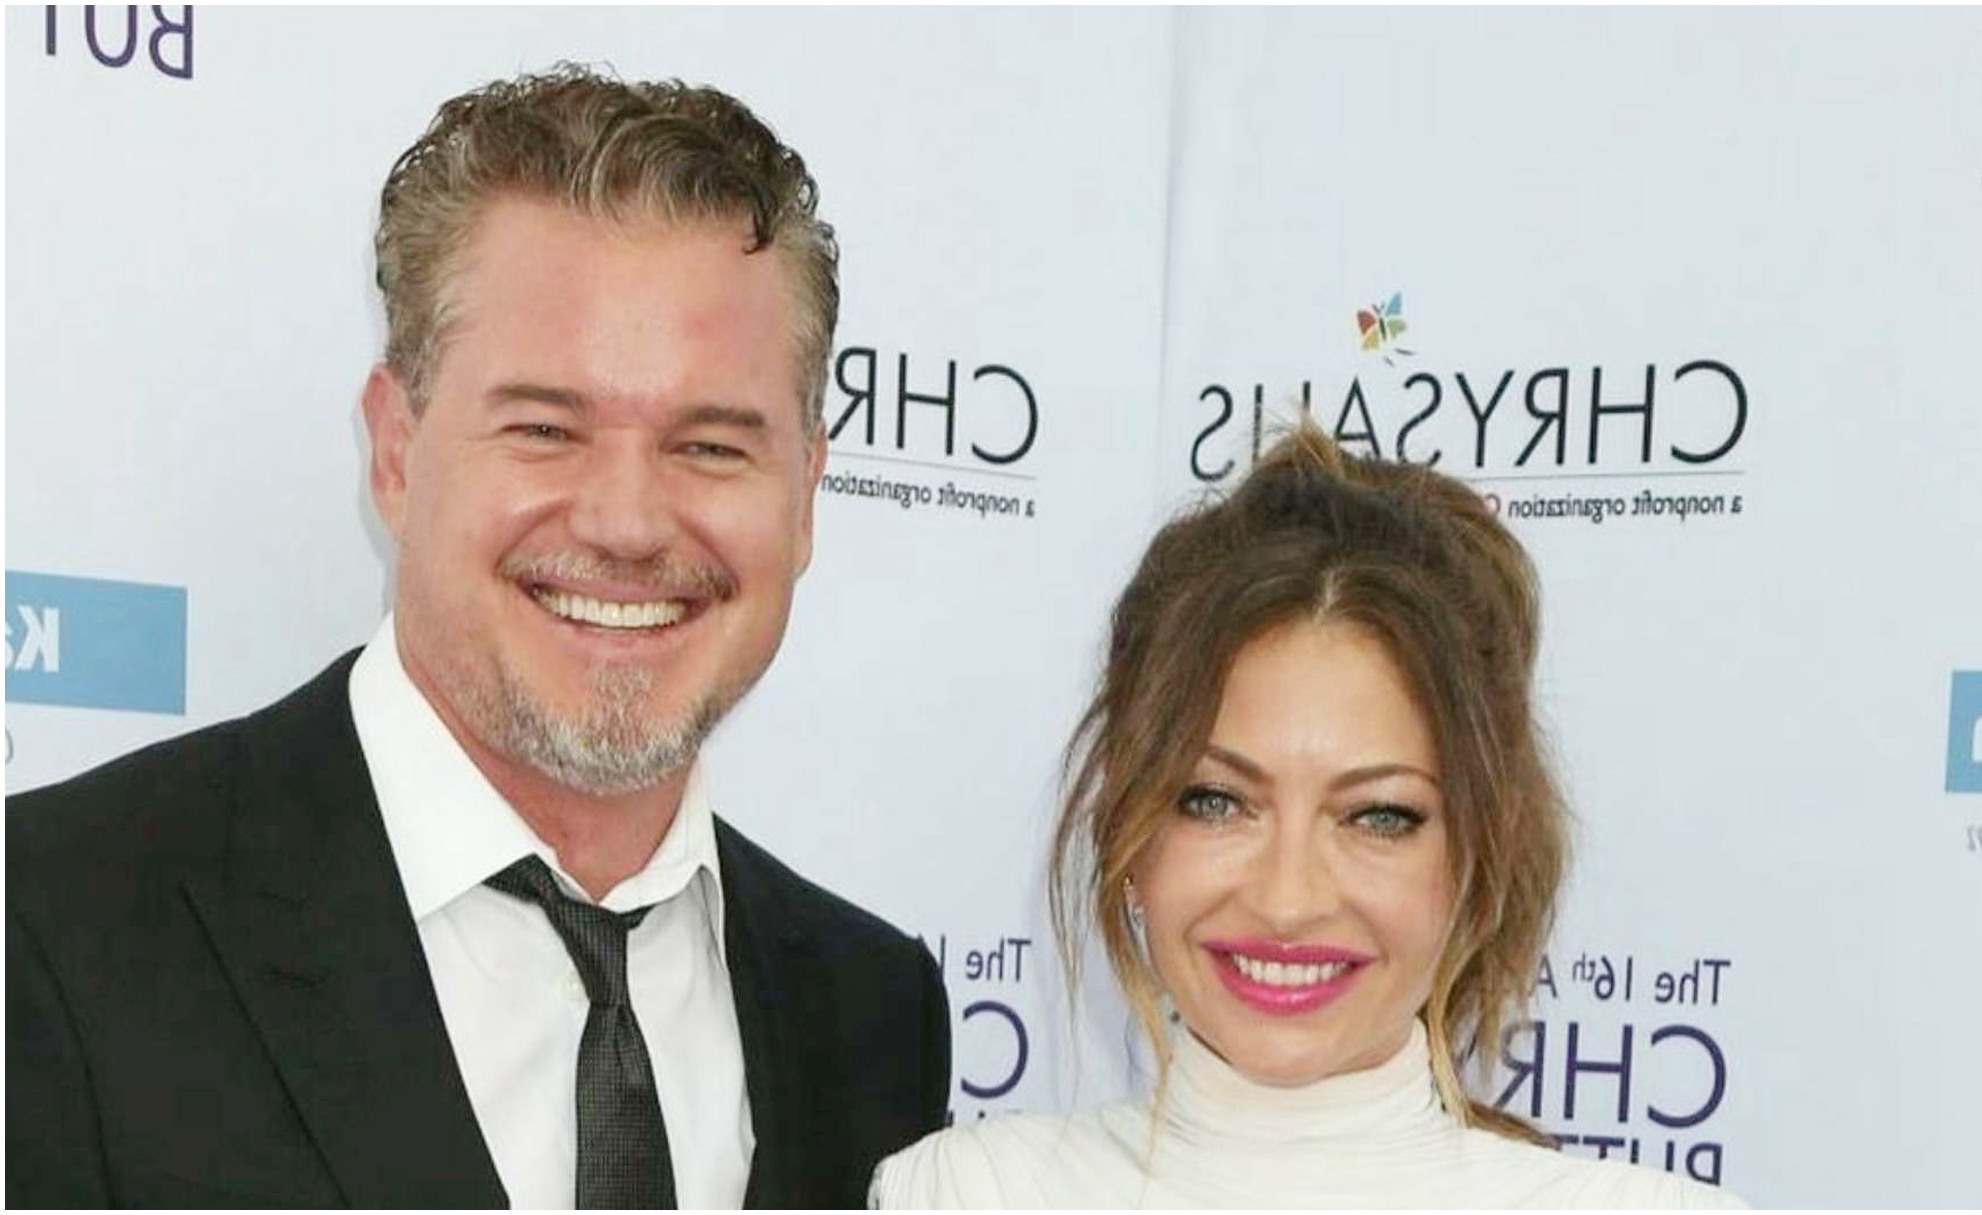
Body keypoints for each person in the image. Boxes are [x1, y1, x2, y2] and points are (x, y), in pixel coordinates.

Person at [7, 66, 949, 1209]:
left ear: (804, 495)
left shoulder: (874, 1014)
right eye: (545, 429)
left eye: (710, 446)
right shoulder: (49, 929)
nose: (626, 523)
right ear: (395, 453)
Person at [872, 424, 1745, 1208]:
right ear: (1128, 833)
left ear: (1483, 851)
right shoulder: (960, 1193)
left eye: (1378, 816)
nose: (1287, 901)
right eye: (1216, 801)